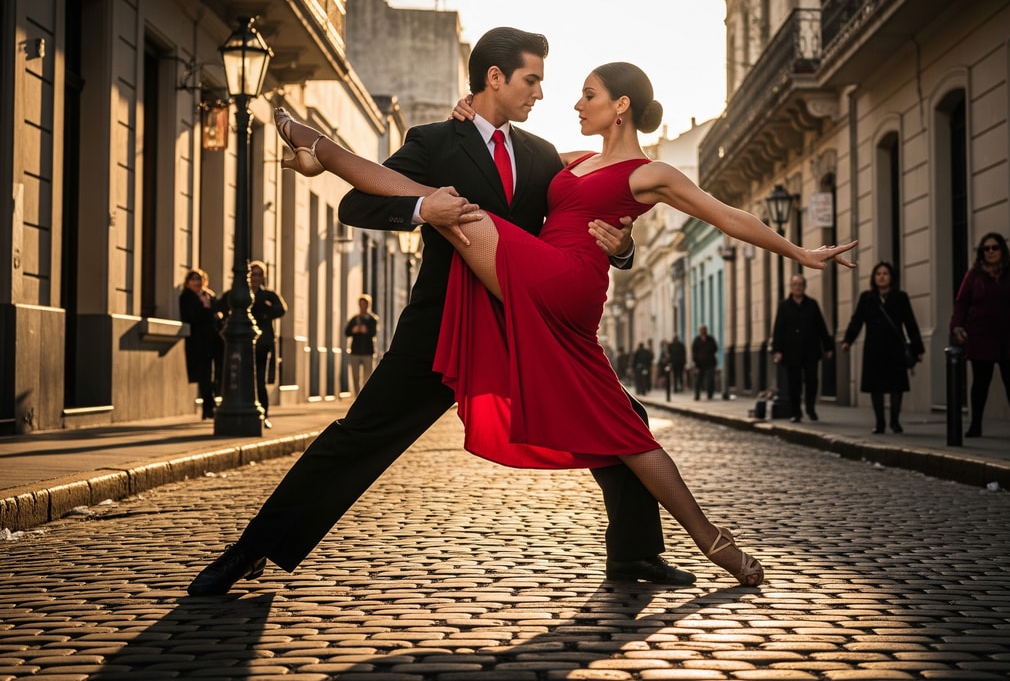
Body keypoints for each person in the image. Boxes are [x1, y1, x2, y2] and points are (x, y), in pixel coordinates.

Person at [266, 57, 857, 587]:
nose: (573, 102)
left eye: (588, 93)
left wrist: (801, 253)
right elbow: (506, 159)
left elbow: (727, 216)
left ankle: (319, 149)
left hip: (566, 281)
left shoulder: (652, 173)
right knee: (627, 427)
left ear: (620, 106)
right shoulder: (571, 160)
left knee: (457, 212)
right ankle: (714, 544)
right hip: (549, 283)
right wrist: (470, 121)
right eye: (565, 90)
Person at [188, 28, 688, 597]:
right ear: (494, 79)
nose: (540, 95)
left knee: (623, 420)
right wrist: (424, 206)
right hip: (442, 323)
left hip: (520, 323)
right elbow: (357, 201)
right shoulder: (431, 140)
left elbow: (592, 205)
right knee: (361, 435)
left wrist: (622, 250)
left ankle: (636, 557)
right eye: (531, 80)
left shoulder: (541, 154)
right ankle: (252, 550)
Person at [950, 233, 1010, 439]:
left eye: (995, 247)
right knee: (980, 383)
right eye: (986, 248)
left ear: (1002, 250)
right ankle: (975, 425)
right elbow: (961, 302)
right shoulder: (973, 275)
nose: (990, 251)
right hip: (981, 335)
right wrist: (957, 326)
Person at [841, 262, 924, 434]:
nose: (882, 276)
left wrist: (917, 348)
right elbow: (857, 321)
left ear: (891, 277)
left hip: (895, 348)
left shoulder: (900, 297)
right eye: (878, 273)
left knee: (896, 387)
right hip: (874, 349)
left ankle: (894, 422)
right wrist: (848, 340)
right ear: (874, 277)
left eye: (885, 273)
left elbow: (910, 323)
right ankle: (880, 423)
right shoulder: (867, 297)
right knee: (875, 387)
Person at [219, 261, 288, 429]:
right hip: (238, 345)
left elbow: (282, 309)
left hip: (262, 344)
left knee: (259, 379)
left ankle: (263, 414)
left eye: (258, 274)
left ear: (262, 277)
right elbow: (218, 306)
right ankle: (236, 411)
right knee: (236, 377)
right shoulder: (236, 295)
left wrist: (266, 311)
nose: (254, 278)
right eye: (252, 274)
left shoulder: (268, 296)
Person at [771, 274, 834, 422]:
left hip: (810, 349)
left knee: (812, 380)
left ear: (804, 287)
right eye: (795, 284)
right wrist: (777, 350)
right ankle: (796, 412)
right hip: (791, 351)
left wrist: (828, 346)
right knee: (794, 383)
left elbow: (821, 326)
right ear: (791, 287)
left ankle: (810, 407)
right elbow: (778, 329)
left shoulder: (812, 304)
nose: (798, 287)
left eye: (800, 284)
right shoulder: (784, 306)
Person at [179, 268, 222, 420]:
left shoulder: (209, 295)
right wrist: (210, 313)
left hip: (213, 339)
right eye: (193, 279)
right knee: (204, 374)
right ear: (188, 282)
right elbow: (191, 316)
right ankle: (208, 407)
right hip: (198, 340)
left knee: (215, 372)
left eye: (199, 279)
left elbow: (218, 312)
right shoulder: (186, 297)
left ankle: (211, 405)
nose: (197, 282)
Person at [344, 294, 379, 396]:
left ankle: (366, 396)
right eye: (361, 304)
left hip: (368, 351)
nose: (363, 306)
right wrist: (353, 330)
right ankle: (357, 396)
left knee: (367, 377)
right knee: (355, 377)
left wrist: (366, 331)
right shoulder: (354, 319)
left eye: (365, 304)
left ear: (368, 305)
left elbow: (373, 333)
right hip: (355, 351)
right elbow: (346, 332)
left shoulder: (372, 319)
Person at [692, 325, 719, 400]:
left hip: (710, 363)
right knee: (699, 380)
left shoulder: (710, 339)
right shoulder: (697, 340)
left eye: (704, 330)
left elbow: (715, 348)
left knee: (710, 379)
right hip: (700, 364)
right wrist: (696, 361)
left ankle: (710, 394)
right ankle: (697, 395)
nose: (703, 332)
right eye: (701, 330)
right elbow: (694, 351)